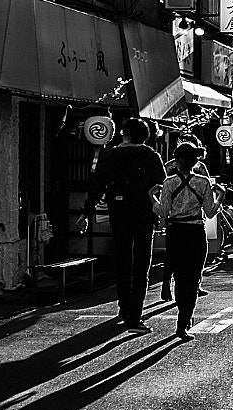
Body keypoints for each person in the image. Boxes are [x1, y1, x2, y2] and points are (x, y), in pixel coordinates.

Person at [88, 119, 166, 331]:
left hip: (119, 214)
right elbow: (162, 185)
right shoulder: (151, 156)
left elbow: (98, 183)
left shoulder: (110, 155)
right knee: (142, 266)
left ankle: (124, 307)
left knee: (122, 262)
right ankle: (135, 316)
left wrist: (88, 209)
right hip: (144, 216)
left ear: (126, 134)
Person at [153, 141, 222, 339]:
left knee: (180, 275)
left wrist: (152, 198)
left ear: (178, 161)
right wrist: (220, 197)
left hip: (175, 233)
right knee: (193, 278)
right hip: (195, 232)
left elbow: (163, 212)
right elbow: (210, 212)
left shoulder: (168, 183)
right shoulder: (203, 182)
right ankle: (183, 321)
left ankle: (182, 312)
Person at [161, 155, 213, 303]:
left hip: (174, 225)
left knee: (173, 260)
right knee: (195, 263)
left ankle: (168, 285)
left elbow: (163, 201)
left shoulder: (169, 169)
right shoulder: (201, 171)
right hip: (195, 225)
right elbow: (208, 203)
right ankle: (194, 289)